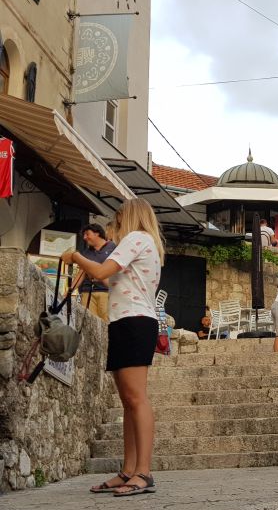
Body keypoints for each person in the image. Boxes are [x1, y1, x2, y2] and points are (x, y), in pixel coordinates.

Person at [61, 198, 164, 497]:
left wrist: (77, 258)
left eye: (119, 218)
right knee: (129, 401)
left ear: (129, 217)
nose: (115, 224)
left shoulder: (135, 238)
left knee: (136, 398)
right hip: (126, 321)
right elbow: (116, 280)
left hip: (133, 322)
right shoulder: (146, 244)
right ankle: (129, 470)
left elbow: (102, 272)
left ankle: (143, 472)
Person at [73, 223, 116, 322]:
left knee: (107, 323)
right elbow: (81, 273)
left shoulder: (113, 247)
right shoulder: (86, 253)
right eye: (84, 235)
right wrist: (69, 290)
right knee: (88, 323)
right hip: (87, 292)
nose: (84, 237)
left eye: (87, 234)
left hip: (106, 292)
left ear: (97, 233)